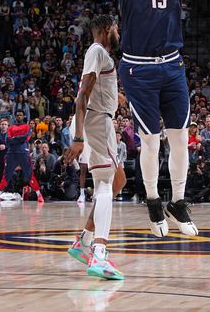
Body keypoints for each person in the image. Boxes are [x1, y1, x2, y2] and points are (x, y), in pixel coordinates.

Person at [103, 0, 197, 237]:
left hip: (172, 66)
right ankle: (154, 200)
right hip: (139, 69)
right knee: (151, 140)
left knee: (179, 137)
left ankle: (178, 201)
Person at [65, 15, 126, 279]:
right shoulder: (98, 50)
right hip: (95, 121)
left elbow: (95, 87)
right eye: (115, 28)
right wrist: (79, 138)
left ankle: (85, 239)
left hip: (98, 119)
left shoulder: (101, 55)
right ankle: (99, 252)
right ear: (104, 30)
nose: (118, 33)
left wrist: (115, 96)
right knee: (104, 183)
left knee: (118, 181)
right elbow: (82, 96)